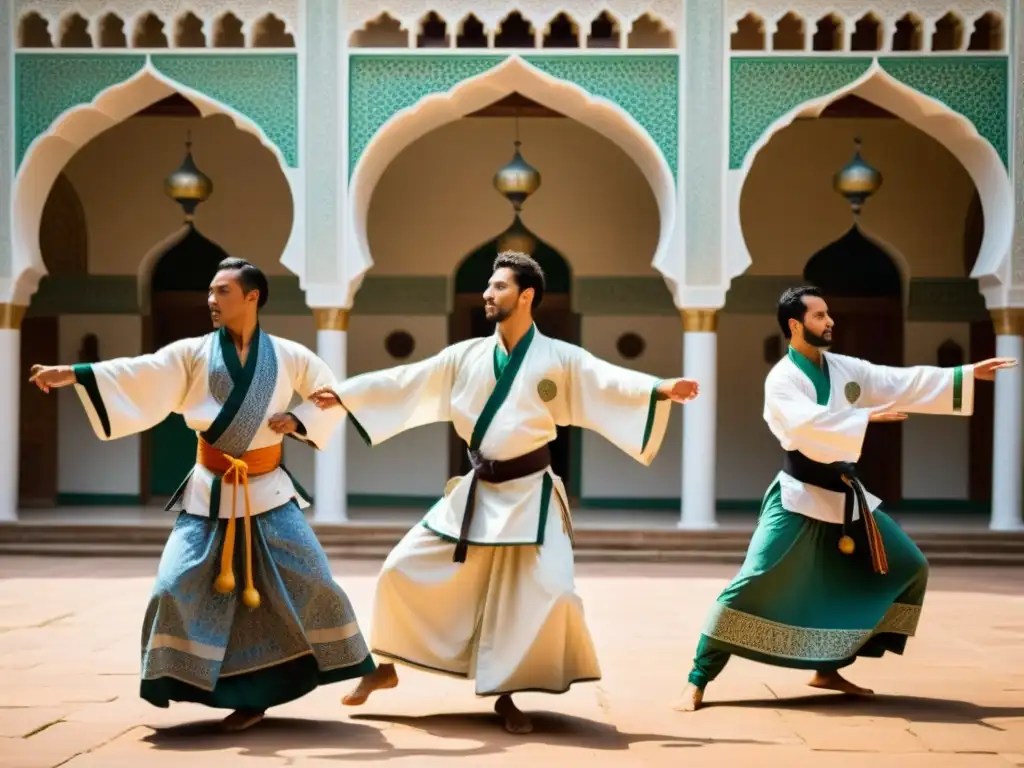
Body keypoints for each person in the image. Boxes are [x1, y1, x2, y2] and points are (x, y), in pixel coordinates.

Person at [308, 251, 699, 734]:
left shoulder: (559, 356)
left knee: (548, 594)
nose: (488, 295)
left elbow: (606, 379)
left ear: (526, 295)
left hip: (530, 494)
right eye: (488, 287)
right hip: (477, 490)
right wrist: (348, 393)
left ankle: (506, 693)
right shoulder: (465, 355)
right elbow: (407, 378)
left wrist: (657, 389)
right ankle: (387, 663)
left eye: (498, 287)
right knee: (400, 569)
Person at [28, 258, 374, 732]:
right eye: (210, 291)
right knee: (174, 584)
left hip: (268, 490)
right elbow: (142, 372)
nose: (212, 300)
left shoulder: (290, 355)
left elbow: (331, 391)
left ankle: (345, 669)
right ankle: (186, 678)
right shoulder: (192, 352)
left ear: (252, 297)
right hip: (208, 490)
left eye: (224, 291)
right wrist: (76, 372)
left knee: (313, 577)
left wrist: (299, 421)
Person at [676, 285, 1017, 711]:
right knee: (754, 578)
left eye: (828, 313)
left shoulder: (842, 367)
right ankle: (698, 678)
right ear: (795, 326)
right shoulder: (782, 379)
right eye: (819, 316)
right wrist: (863, 416)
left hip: (846, 496)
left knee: (911, 565)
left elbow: (895, 378)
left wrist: (963, 375)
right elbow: (804, 424)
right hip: (798, 496)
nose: (830, 321)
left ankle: (828, 667)